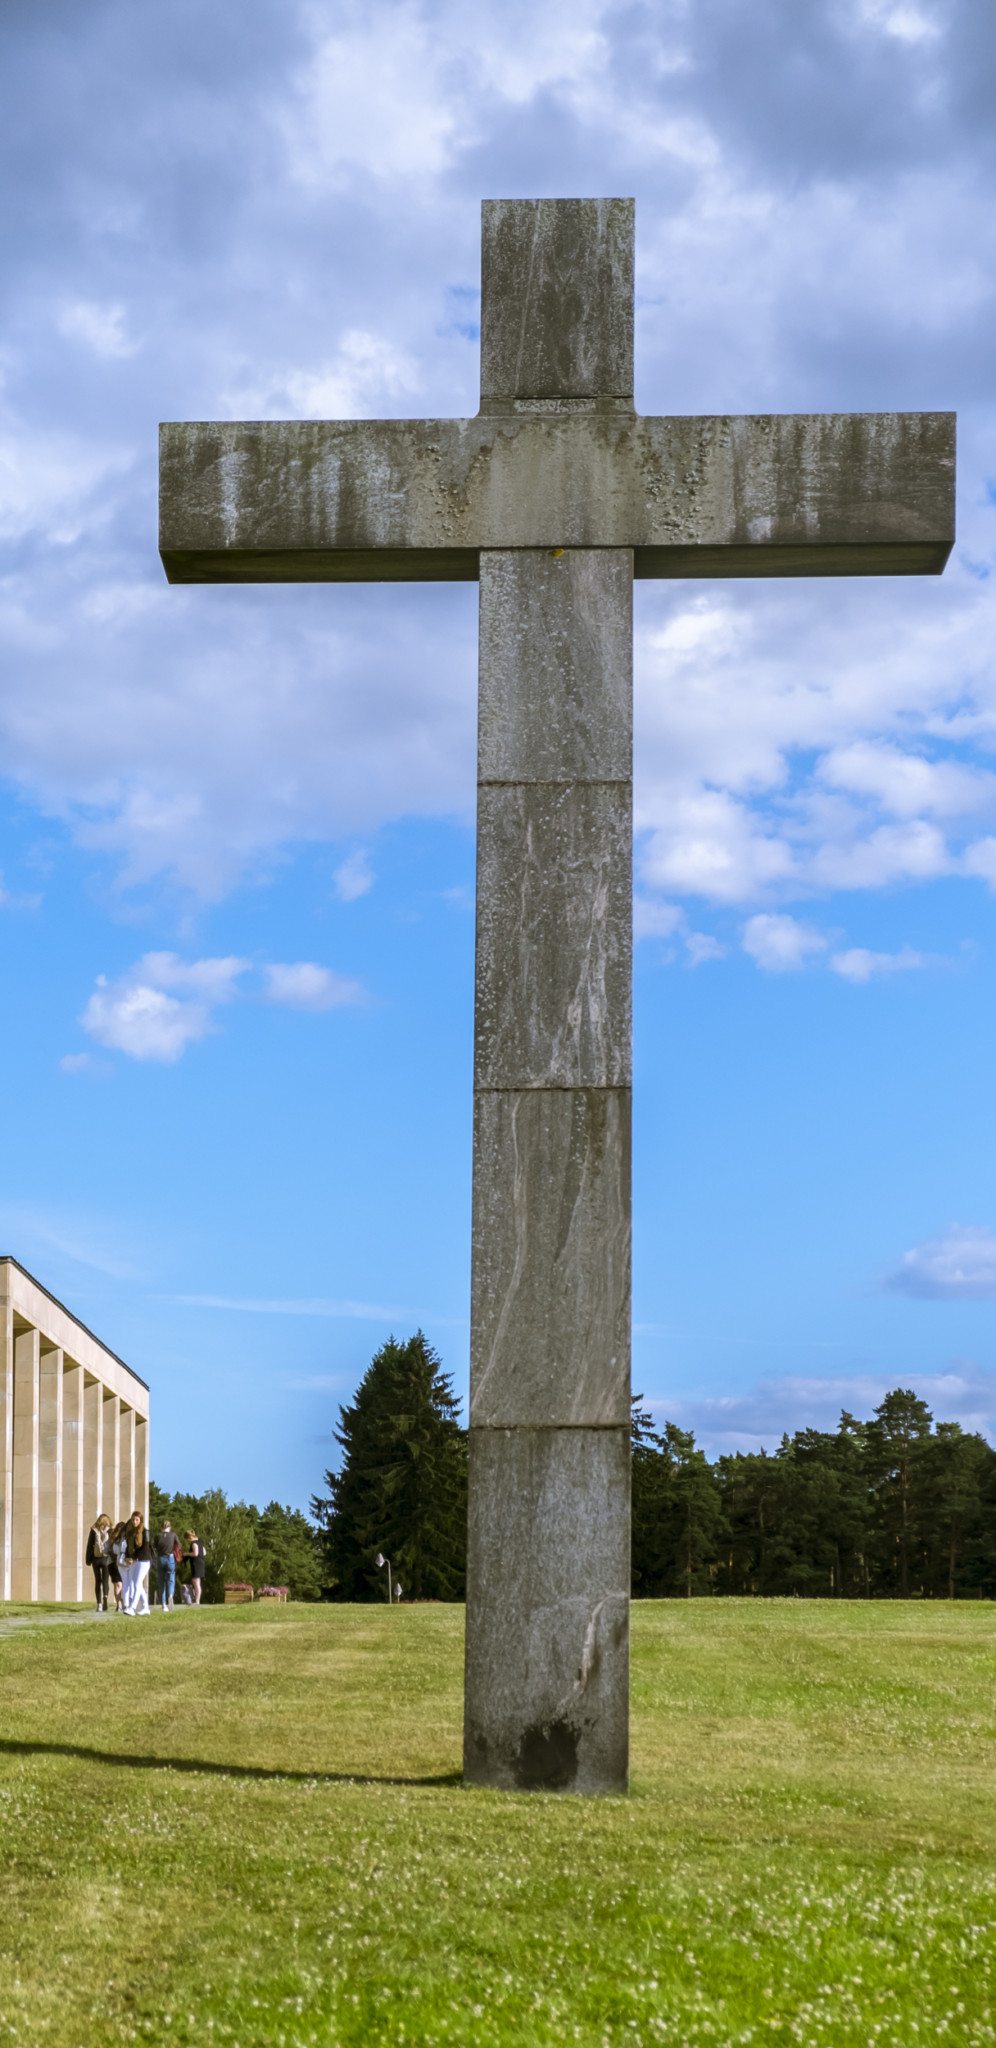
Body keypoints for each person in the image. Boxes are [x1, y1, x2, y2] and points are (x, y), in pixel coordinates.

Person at [122, 1509, 152, 1615]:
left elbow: (145, 1548)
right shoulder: (131, 1532)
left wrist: (135, 1558)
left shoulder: (145, 1531)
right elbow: (128, 1548)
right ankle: (146, 1608)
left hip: (144, 1560)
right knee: (135, 1583)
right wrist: (127, 1557)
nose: (134, 1521)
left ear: (141, 1520)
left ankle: (132, 1608)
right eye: (133, 1519)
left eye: (137, 1520)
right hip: (136, 1560)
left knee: (138, 1582)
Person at [84, 1514, 112, 1612]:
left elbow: (89, 1545)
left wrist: (87, 1559)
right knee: (105, 1580)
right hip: (106, 1559)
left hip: (95, 1559)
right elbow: (112, 1545)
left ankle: (99, 1604)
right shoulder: (110, 1530)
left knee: (97, 1581)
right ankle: (105, 1597)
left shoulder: (93, 1530)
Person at [155, 1519, 178, 1612]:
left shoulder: (157, 1536)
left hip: (160, 1558)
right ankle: (171, 1596)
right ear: (170, 1527)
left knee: (161, 1582)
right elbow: (178, 1545)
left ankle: (164, 1605)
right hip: (170, 1558)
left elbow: (154, 1546)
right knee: (171, 1579)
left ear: (161, 1528)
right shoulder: (173, 1535)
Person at [109, 1521, 127, 1612]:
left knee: (118, 1585)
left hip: (113, 1563)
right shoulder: (117, 1539)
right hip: (115, 1563)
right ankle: (120, 1604)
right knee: (119, 1585)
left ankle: (120, 1604)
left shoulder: (113, 1538)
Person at [184, 1530, 206, 1605]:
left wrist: (186, 1554)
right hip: (201, 1563)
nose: (187, 1541)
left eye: (187, 1539)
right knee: (196, 1582)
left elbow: (195, 1553)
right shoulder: (200, 1542)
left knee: (196, 1583)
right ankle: (196, 1600)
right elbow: (204, 1552)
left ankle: (197, 1601)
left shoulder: (193, 1544)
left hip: (196, 1564)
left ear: (189, 1537)